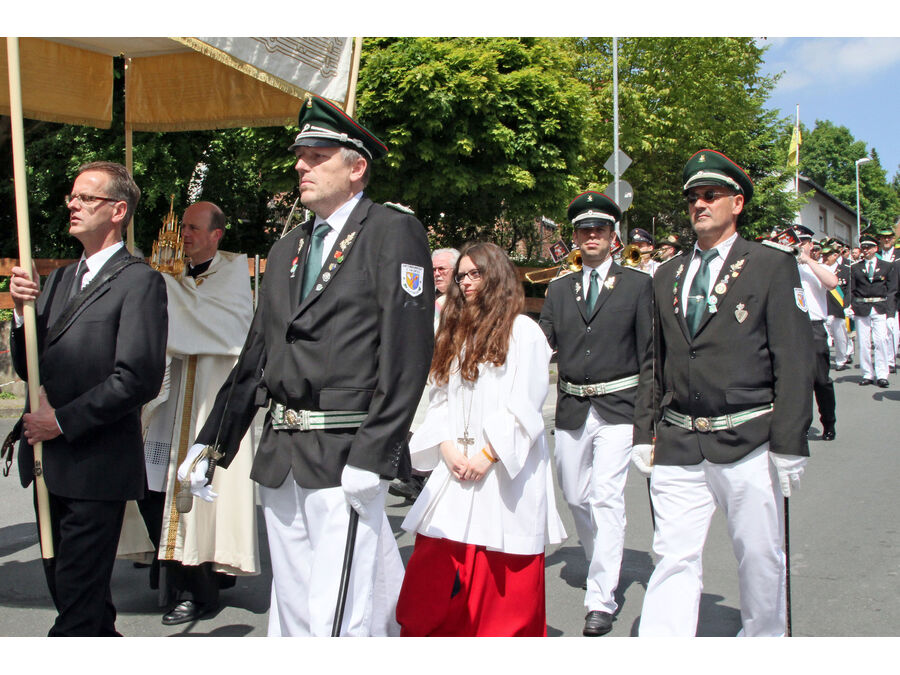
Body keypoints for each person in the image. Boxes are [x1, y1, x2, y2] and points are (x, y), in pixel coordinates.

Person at [178, 94, 434, 636]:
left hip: (345, 453)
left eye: (317, 156)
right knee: (293, 609)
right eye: (301, 156)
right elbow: (257, 353)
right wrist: (212, 442)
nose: (301, 166)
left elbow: (408, 353)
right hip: (281, 454)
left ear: (356, 168)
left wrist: (376, 453)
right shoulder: (288, 247)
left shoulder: (391, 232)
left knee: (338, 613)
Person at [633, 149, 814, 637]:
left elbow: (794, 359)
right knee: (672, 555)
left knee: (759, 554)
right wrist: (643, 430)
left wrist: (790, 440)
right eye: (693, 196)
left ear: (737, 203)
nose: (699, 203)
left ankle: (762, 639)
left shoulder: (770, 265)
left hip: (748, 439)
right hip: (679, 440)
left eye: (710, 194)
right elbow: (654, 360)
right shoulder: (666, 274)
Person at [9, 161, 168, 636]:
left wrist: (61, 421)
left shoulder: (140, 282)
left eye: (86, 198)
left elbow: (137, 379)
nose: (73, 205)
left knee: (76, 608)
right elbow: (31, 367)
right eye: (72, 197)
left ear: (118, 210)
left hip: (97, 467)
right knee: (79, 601)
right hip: (48, 465)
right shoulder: (58, 280)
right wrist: (21, 315)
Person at [395, 242, 565, 636]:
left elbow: (527, 403)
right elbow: (438, 396)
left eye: (476, 273)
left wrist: (488, 455)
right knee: (434, 567)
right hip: (455, 465)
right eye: (462, 276)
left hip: (504, 470)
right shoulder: (454, 329)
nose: (467, 282)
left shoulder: (524, 332)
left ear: (497, 276)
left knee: (502, 582)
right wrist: (446, 447)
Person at [131, 201, 260, 626]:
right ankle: (171, 568)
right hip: (169, 399)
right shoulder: (172, 274)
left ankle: (196, 591)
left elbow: (226, 329)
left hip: (210, 401)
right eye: (183, 227)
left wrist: (164, 291)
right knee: (153, 488)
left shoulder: (231, 277)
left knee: (199, 497)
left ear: (216, 234)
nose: (183, 234)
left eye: (193, 228)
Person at [538, 191, 653, 636]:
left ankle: (601, 596)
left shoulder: (637, 285)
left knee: (606, 497)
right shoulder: (558, 289)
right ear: (575, 237)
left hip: (620, 408)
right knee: (574, 494)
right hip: (572, 407)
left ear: (612, 236)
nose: (592, 236)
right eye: (584, 230)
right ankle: (601, 558)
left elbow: (649, 355)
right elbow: (542, 344)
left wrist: (648, 420)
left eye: (600, 229)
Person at [389, 246, 461, 502]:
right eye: (433, 270)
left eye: (442, 269)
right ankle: (416, 477)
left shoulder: (465, 302)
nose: (436, 274)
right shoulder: (435, 303)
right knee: (420, 425)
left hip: (457, 380)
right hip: (432, 377)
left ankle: (419, 478)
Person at [794, 226, 839, 440]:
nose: (798, 246)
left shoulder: (818, 267)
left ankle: (828, 422)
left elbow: (832, 283)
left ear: (811, 245)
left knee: (821, 380)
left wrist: (807, 261)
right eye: (795, 242)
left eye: (802, 242)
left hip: (813, 327)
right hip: (791, 328)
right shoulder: (784, 267)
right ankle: (799, 425)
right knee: (795, 381)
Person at [850, 233, 897, 388]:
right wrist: (850, 306)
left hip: (880, 307)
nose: (866, 250)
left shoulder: (887, 266)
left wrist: (891, 314)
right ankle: (867, 374)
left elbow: (891, 291)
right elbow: (852, 289)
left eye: (869, 247)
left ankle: (882, 374)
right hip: (862, 307)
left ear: (876, 248)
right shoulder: (855, 267)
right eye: (863, 247)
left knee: (881, 341)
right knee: (863, 343)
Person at [822, 243, 853, 371]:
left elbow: (849, 289)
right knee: (824, 336)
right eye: (823, 255)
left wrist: (846, 305)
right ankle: (824, 360)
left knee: (840, 336)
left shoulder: (845, 270)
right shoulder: (820, 269)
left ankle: (841, 360)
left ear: (835, 256)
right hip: (824, 306)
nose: (824, 257)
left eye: (827, 255)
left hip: (839, 307)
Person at [875, 226, 899, 373]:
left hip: (896, 296)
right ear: (880, 240)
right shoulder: (876, 255)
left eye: (889, 237)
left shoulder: (899, 254)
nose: (887, 239)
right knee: (884, 332)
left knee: (894, 331)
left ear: (894, 239)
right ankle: (886, 360)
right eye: (884, 237)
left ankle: (891, 360)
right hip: (880, 295)